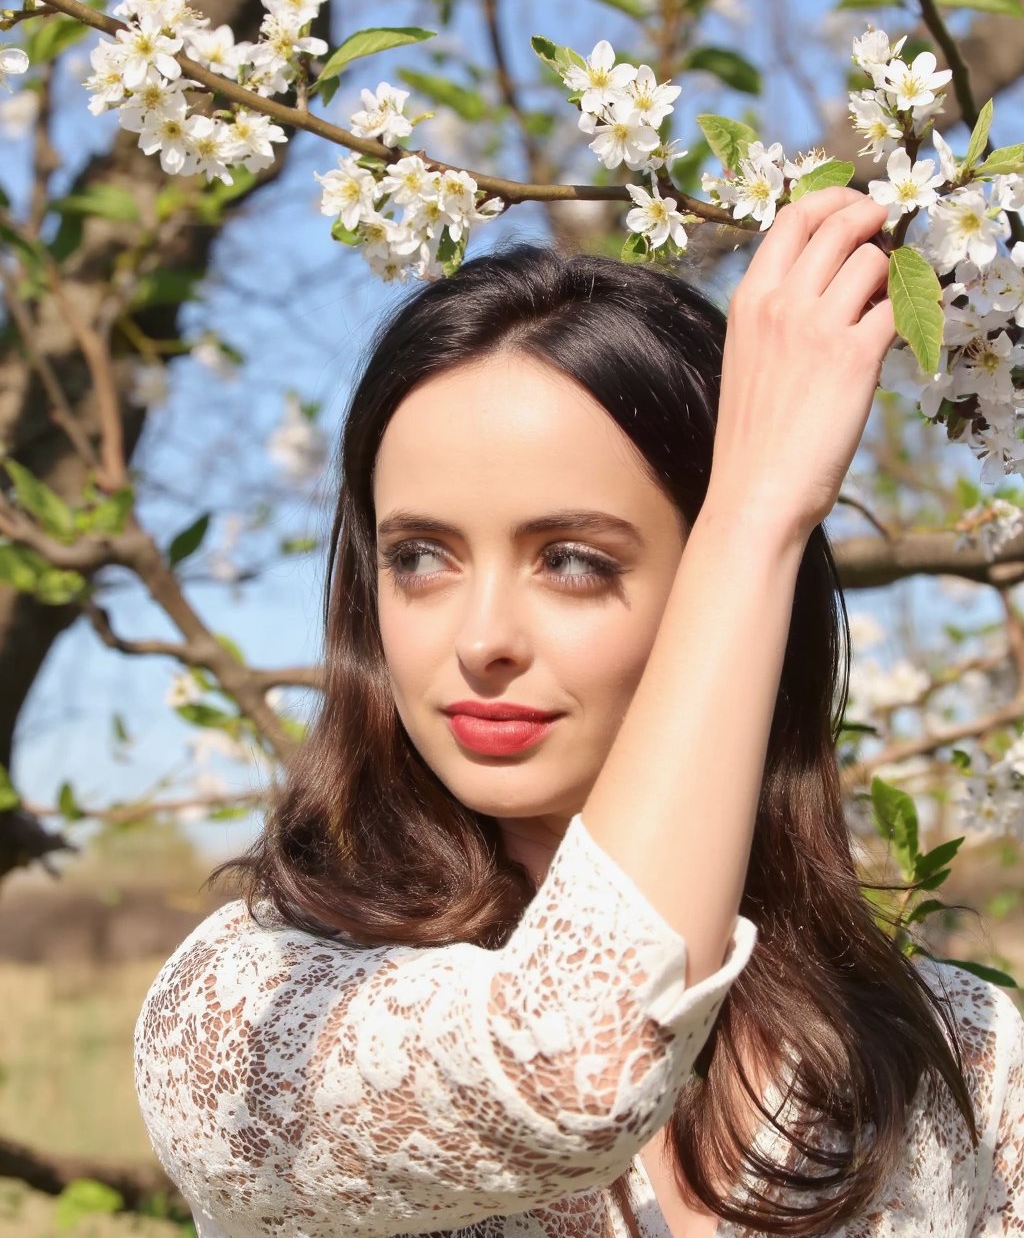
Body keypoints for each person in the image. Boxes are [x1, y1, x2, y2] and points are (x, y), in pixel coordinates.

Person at [133, 186, 1023, 1238]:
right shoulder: (252, 1006)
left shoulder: (957, 1052)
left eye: (571, 560)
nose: (481, 637)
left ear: (727, 601)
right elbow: (572, 1063)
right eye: (420, 556)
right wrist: (750, 513)